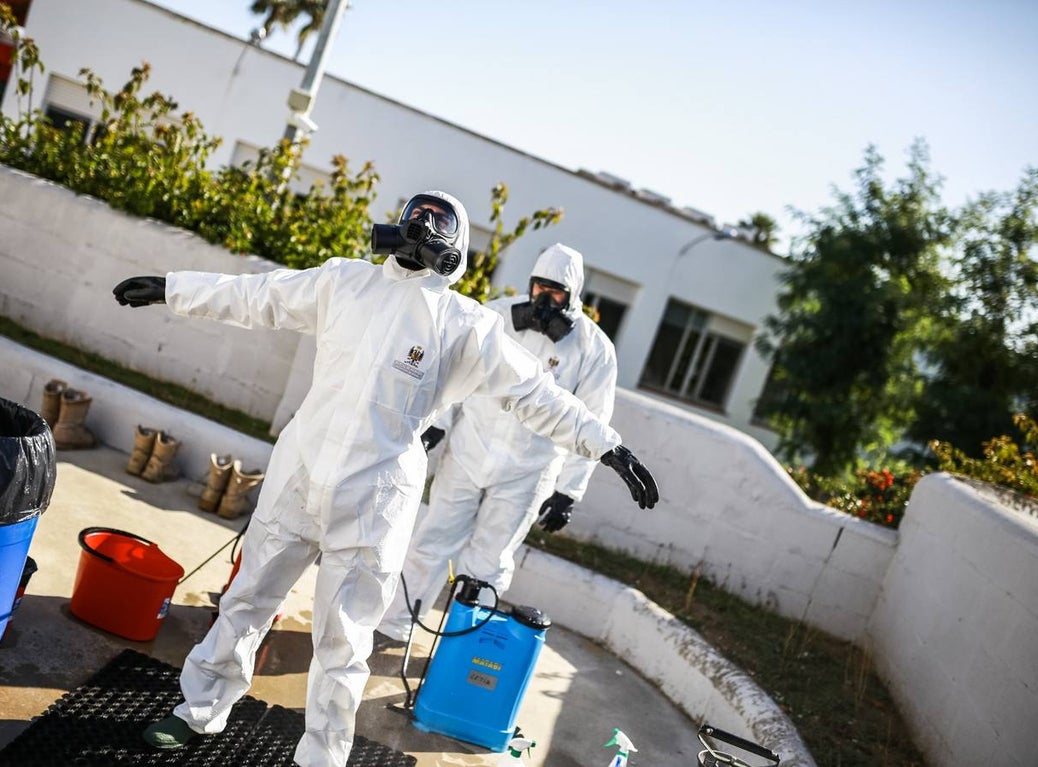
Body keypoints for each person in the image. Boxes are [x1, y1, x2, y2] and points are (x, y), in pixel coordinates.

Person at [110, 191, 658, 767]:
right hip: (300, 474)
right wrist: (173, 288)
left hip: (375, 498)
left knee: (345, 640)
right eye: (415, 216)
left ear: (455, 245)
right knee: (246, 598)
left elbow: (535, 394)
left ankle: (321, 756)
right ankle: (199, 709)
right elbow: (257, 296)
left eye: (436, 223)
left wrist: (608, 448)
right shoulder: (342, 281)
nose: (421, 226)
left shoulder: (466, 323)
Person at [375, 242, 617, 646]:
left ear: (573, 296)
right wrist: (439, 422)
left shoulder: (594, 350)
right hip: (469, 451)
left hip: (528, 471)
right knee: (431, 542)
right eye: (540, 286)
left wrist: (568, 492)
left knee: (489, 562)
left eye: (556, 291)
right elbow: (455, 367)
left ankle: (459, 646)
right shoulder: (497, 314)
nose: (545, 297)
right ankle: (395, 626)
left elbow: (593, 420)